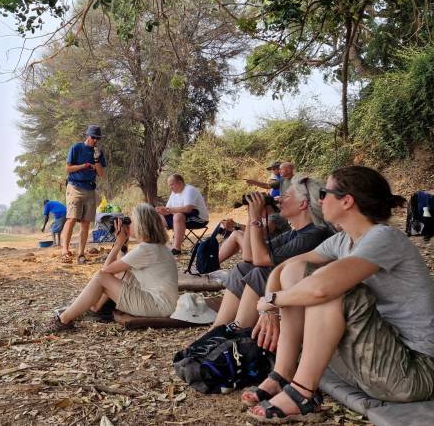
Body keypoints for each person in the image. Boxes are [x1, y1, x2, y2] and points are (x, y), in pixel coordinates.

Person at [245, 166, 434, 422]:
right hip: (377, 359)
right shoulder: (343, 240)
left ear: (347, 201)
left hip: (414, 370)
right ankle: (283, 373)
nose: (319, 199)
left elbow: (323, 289)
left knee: (332, 287)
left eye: (325, 193)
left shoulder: (384, 238)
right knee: (297, 271)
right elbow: (284, 268)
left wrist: (271, 302)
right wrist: (270, 304)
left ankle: (302, 393)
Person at [210, 177, 332, 329]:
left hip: (306, 295)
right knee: (242, 269)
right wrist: (251, 216)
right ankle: (217, 328)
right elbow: (249, 256)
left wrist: (256, 218)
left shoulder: (313, 234)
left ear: (303, 204)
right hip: (289, 287)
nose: (279, 200)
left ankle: (239, 330)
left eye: (286, 196)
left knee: (260, 274)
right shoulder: (294, 233)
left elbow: (261, 260)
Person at [42, 203, 179, 333]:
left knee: (101, 277)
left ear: (141, 225)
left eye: (132, 222)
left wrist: (117, 244)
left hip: (158, 306)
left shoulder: (146, 249)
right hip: (163, 303)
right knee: (126, 274)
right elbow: (121, 267)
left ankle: (64, 320)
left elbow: (105, 272)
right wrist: (122, 243)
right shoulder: (155, 247)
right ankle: (95, 307)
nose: (129, 225)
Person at [61, 125, 107, 264]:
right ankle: (65, 251)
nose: (95, 140)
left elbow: (100, 173)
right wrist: (83, 166)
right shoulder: (76, 148)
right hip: (75, 187)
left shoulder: (98, 152)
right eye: (93, 137)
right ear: (87, 136)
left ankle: (81, 254)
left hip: (89, 188)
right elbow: (68, 168)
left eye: (97, 138)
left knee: (86, 222)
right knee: (72, 218)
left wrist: (97, 160)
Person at [155, 174, 209, 255]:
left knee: (178, 216)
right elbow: (168, 209)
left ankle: (176, 249)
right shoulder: (174, 193)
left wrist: (168, 210)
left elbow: (188, 209)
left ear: (180, 183)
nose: (170, 187)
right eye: (169, 185)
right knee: (158, 218)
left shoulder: (189, 190)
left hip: (199, 219)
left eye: (172, 185)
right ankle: (163, 246)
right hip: (183, 218)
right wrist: (160, 211)